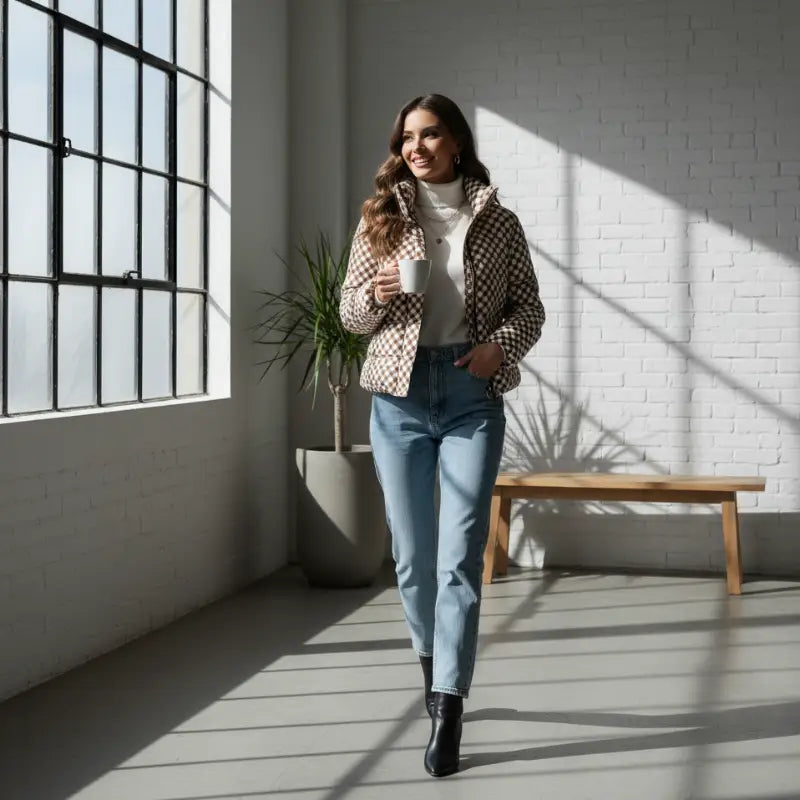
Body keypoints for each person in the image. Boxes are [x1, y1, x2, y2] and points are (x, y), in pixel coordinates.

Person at [339, 93, 545, 777]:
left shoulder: (499, 224)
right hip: (397, 401)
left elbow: (530, 307)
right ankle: (434, 677)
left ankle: (449, 706)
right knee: (412, 557)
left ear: (456, 141)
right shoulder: (381, 220)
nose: (416, 148)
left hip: (469, 396)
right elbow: (349, 315)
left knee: (459, 557)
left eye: (430, 135)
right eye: (406, 139)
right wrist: (381, 292)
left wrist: (499, 349)